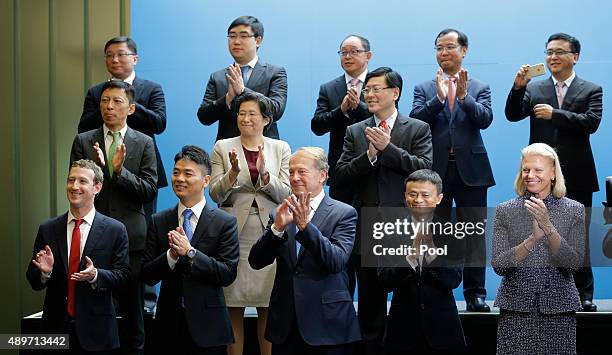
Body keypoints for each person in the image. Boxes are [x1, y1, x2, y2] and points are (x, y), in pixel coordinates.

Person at [335, 67, 433, 355]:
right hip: (367, 227)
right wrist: (368, 156)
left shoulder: (417, 128)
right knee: (370, 309)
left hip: (404, 227)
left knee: (408, 304)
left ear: (396, 93)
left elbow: (425, 170)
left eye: (377, 88)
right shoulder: (355, 130)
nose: (371, 94)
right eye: (368, 89)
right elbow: (340, 175)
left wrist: (388, 149)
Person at [505, 33, 602, 311]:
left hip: (578, 172)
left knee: (577, 234)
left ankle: (584, 293)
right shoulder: (534, 88)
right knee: (536, 233)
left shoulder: (591, 89)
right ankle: (536, 291)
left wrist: (555, 115)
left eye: (559, 52)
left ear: (575, 57)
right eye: (549, 52)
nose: (553, 57)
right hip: (539, 175)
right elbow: (512, 114)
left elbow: (591, 122)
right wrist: (517, 88)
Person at [70, 79, 157, 354]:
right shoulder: (84, 140)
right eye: (105, 101)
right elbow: (76, 188)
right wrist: (100, 173)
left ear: (131, 108)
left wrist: (119, 172)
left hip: (131, 237)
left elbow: (148, 190)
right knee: (93, 307)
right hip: (92, 235)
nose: (109, 107)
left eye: (117, 102)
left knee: (133, 311)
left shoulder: (143, 142)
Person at [410, 28, 494, 312]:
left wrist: (463, 98)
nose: (443, 53)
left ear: (464, 50)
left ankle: (476, 294)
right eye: (438, 48)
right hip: (437, 172)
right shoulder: (424, 88)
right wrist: (438, 98)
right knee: (438, 231)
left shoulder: (479, 87)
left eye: (449, 47)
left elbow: (485, 120)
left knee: (474, 232)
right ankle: (439, 289)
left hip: (472, 170)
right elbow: (416, 121)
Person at [249, 147, 361, 355]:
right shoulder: (280, 213)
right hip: (286, 325)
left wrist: (305, 227)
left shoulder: (344, 213)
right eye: (291, 172)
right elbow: (256, 261)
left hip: (328, 326)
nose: (294, 177)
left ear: (322, 175)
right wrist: (276, 229)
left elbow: (336, 261)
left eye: (301, 171)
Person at [209, 91, 292, 355]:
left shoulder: (281, 148)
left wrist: (266, 176)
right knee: (233, 305)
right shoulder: (223, 146)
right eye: (241, 113)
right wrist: (232, 173)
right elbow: (215, 194)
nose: (245, 119)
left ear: (266, 119)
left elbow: (287, 193)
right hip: (233, 233)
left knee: (269, 304)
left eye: (252, 114)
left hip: (270, 233)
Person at [142, 145, 239, 355]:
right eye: (176, 172)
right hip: (168, 327)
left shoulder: (224, 222)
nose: (179, 179)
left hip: (210, 327)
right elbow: (147, 274)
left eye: (188, 173)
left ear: (205, 181)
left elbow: (227, 273)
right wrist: (171, 256)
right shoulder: (159, 221)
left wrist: (191, 253)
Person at [26, 159, 130, 353]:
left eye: (82, 181)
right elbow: (34, 281)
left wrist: (96, 275)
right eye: (71, 180)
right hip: (54, 332)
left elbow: (123, 277)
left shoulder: (115, 230)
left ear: (97, 187)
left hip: (97, 333)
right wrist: (44, 273)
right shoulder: (48, 229)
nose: (74, 186)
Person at [492, 143, 585, 355]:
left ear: (553, 174)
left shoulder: (574, 210)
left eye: (537, 170)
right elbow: (499, 265)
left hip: (558, 310)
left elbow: (574, 264)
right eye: (526, 169)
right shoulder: (505, 210)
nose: (530, 175)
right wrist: (532, 240)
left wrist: (548, 227)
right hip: (516, 309)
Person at [378, 169, 466, 354]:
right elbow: (384, 281)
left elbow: (453, 280)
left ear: (439, 198)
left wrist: (432, 255)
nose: (418, 200)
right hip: (401, 333)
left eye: (425, 195)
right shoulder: (388, 230)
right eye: (412, 194)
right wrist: (410, 259)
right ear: (405, 196)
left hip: (443, 333)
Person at [197, 15, 288, 141]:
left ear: (258, 40)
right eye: (232, 36)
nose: (236, 41)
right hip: (227, 150)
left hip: (264, 149)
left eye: (244, 36)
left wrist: (243, 91)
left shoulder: (274, 73)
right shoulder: (218, 77)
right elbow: (204, 117)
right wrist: (227, 99)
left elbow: (277, 110)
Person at [311, 34, 372, 204]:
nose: (347, 57)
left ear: (368, 55)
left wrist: (358, 107)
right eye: (343, 52)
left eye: (354, 52)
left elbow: (388, 116)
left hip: (374, 165)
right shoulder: (329, 88)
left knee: (371, 224)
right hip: (341, 168)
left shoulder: (380, 82)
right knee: (341, 224)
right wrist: (341, 110)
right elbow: (317, 126)